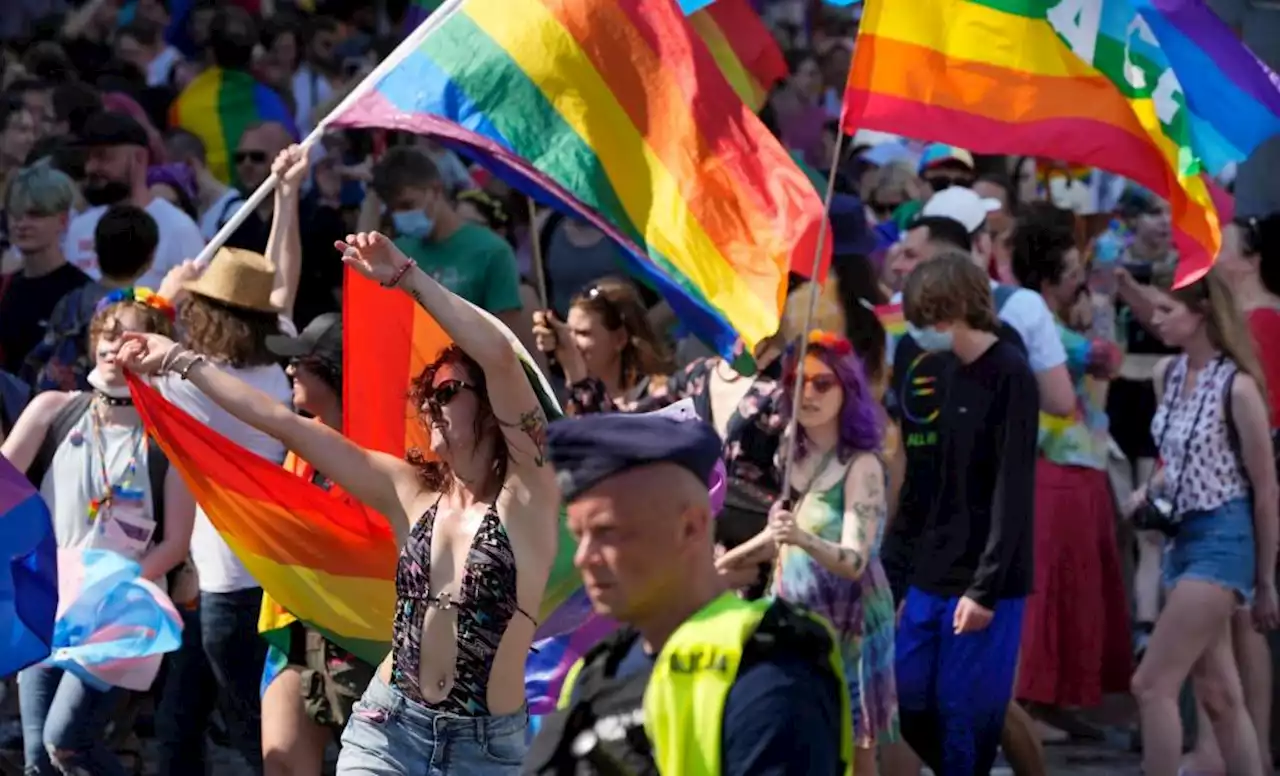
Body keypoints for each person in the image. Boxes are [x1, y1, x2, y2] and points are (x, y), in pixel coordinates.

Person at [119, 229, 560, 773]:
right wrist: (180, 360)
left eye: (448, 393)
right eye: (427, 396)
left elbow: (496, 354)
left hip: (483, 749)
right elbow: (285, 423)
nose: (432, 407)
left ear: (491, 405)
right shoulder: (409, 491)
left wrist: (407, 278)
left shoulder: (529, 495)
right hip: (390, 727)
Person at [525, 412, 852, 775]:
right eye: (579, 535)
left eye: (608, 532)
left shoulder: (771, 672)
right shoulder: (595, 672)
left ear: (690, 528)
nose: (585, 557)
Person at [1, 289, 195, 776]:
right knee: (35, 762)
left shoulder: (170, 440)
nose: (113, 347)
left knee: (66, 742)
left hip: (119, 612)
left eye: (129, 336)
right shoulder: (53, 409)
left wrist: (112, 587)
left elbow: (175, 542)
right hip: (46, 599)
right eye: (107, 334)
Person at [720, 331, 898, 774]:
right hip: (799, 617)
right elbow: (779, 533)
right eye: (799, 381)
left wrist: (802, 538)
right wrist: (726, 562)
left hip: (850, 619)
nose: (809, 393)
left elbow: (855, 561)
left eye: (824, 383)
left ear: (847, 389)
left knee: (856, 750)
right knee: (805, 738)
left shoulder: (863, 465)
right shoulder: (789, 456)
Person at [892, 253, 1039, 776]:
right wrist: (904, 574)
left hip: (984, 581)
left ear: (948, 311)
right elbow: (927, 482)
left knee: (965, 714)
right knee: (906, 697)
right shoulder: (942, 370)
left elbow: (1012, 489)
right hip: (932, 571)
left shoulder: (1012, 373)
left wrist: (985, 588)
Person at [1128, 271, 1279, 776]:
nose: (1156, 317)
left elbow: (1265, 488)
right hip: (1182, 537)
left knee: (1151, 685)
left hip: (1222, 539)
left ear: (1202, 315)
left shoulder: (1238, 389)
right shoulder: (1166, 374)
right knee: (1218, 695)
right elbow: (1178, 458)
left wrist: (1265, 581)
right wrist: (1149, 492)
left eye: (1168, 309)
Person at [1008, 206, 1131, 734]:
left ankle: (1054, 699)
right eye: (1072, 271)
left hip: (1075, 466)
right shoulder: (1040, 323)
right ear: (1048, 276)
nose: (1079, 278)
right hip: (1056, 468)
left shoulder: (1040, 317)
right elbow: (1107, 358)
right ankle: (1035, 701)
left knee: (1072, 583)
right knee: (1057, 583)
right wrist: (1097, 310)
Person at [258, 313, 377, 776]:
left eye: (300, 362)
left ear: (334, 371)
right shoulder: (301, 446)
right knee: (283, 767)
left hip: (367, 644)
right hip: (296, 632)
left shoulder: (384, 451)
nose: (289, 371)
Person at [1184, 212, 1280, 774]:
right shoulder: (1244, 319)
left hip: (1243, 489)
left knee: (1241, 623)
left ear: (1250, 259)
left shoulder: (1261, 321)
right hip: (1237, 488)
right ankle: (1235, 751)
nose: (1213, 252)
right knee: (1231, 625)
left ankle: (1241, 752)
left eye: (1223, 246)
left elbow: (1261, 415)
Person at [365, 147, 528, 337]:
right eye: (394, 209)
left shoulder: (492, 251)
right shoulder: (397, 252)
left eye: (408, 205)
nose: (402, 215)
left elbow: (508, 341)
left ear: (436, 190)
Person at [61, 111, 205, 290]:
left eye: (103, 156)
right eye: (88, 157)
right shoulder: (79, 227)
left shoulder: (178, 229)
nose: (90, 167)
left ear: (139, 158)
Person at [23, 203, 159, 392]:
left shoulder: (72, 301)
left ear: (95, 249)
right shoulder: (146, 313)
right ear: (150, 259)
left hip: (64, 407)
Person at [533, 277, 675, 413]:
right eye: (569, 331)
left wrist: (577, 378)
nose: (571, 342)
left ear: (619, 339)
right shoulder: (569, 397)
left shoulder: (659, 397)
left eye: (583, 333)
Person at [0, 163, 89, 374]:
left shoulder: (82, 294)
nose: (22, 224)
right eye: (16, 214)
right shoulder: (5, 286)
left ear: (63, 221)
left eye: (35, 214)